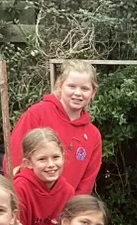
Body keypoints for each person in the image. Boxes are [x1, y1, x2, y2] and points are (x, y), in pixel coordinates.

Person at [9, 61, 102, 196]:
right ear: (60, 85)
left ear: (93, 93)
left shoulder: (93, 135)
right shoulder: (37, 114)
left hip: (68, 206)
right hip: (30, 201)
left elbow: (87, 181)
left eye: (84, 89)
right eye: (71, 86)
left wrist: (75, 206)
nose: (78, 93)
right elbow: (15, 158)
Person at [13, 127, 74, 225]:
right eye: (42, 159)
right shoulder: (19, 189)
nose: (51, 164)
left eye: (55, 157)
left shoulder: (68, 191)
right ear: (28, 163)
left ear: (63, 157)